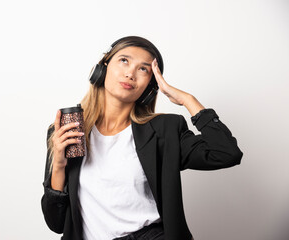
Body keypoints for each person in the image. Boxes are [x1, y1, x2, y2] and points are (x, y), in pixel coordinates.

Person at [41, 36, 243, 240]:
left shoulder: (165, 131)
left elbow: (226, 153)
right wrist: (58, 164)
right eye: (124, 61)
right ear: (102, 68)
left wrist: (187, 100)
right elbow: (56, 223)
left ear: (150, 86)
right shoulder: (69, 131)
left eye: (143, 69)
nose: (130, 74)